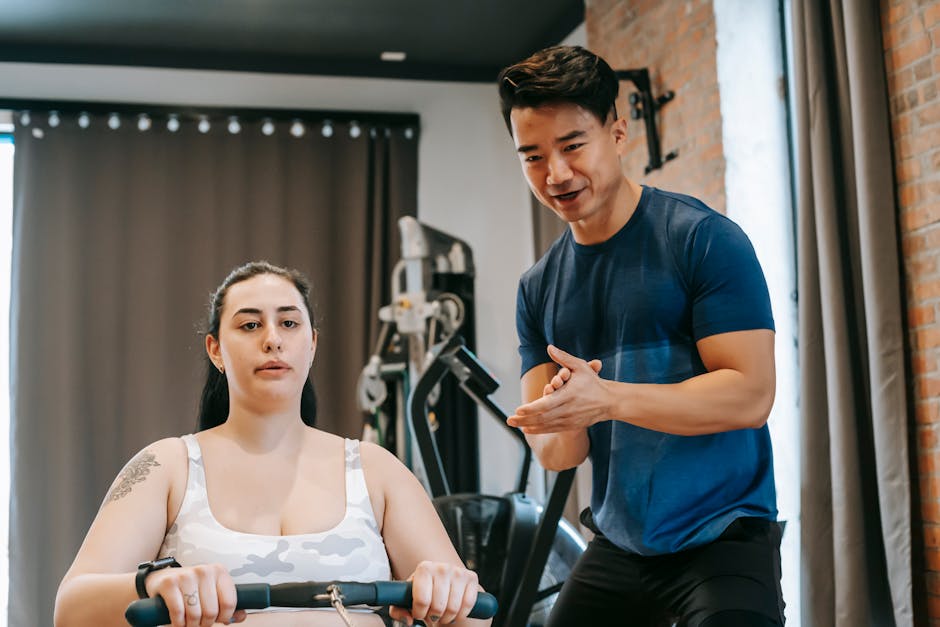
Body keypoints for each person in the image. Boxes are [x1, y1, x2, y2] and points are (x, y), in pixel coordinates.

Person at [498, 46, 785, 627]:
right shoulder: (538, 288)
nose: (555, 174)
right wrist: (562, 410)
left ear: (619, 132)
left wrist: (607, 398)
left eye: (573, 145)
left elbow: (751, 396)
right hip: (622, 544)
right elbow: (560, 453)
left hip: (722, 534)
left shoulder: (702, 239)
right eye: (533, 156)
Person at [54, 261, 489, 627]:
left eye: (288, 322)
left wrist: (450, 590)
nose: (272, 338)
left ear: (312, 343)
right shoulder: (167, 465)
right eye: (249, 324)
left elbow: (477, 617)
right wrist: (149, 584)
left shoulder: (375, 469)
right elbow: (70, 609)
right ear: (216, 350)